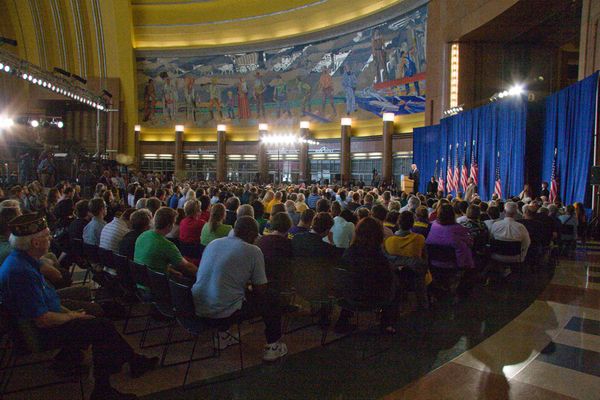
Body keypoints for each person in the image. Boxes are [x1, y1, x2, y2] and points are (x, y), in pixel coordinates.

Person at [0, 213, 158, 400]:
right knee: (101, 326)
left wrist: (70, 313)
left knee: (96, 320)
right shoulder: (21, 272)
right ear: (35, 242)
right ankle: (103, 389)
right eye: (47, 235)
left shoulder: (23, 259)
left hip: (44, 316)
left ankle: (130, 360)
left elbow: (46, 301)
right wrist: (72, 316)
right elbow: (42, 319)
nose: (50, 238)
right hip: (35, 333)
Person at [192, 216, 287, 361]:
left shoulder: (214, 243)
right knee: (272, 298)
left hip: (198, 306)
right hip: (222, 312)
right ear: (251, 234)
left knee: (229, 291)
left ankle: (223, 336)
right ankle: (273, 346)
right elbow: (261, 289)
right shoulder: (253, 251)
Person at [336, 217, 398, 334]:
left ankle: (342, 320)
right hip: (372, 299)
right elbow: (388, 285)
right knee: (395, 284)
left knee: (353, 282)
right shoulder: (380, 259)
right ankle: (387, 323)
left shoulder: (348, 253)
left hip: (347, 296)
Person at [134, 207, 198, 278]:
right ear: (169, 226)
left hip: (140, 282)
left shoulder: (143, 235)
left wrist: (170, 270)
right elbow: (188, 267)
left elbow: (150, 263)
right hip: (157, 286)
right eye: (173, 223)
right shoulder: (167, 246)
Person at [426, 204, 475, 269]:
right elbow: (469, 243)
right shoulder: (459, 228)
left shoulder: (433, 225)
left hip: (433, 263)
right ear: (453, 215)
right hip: (452, 266)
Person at [257, 212, 293, 281]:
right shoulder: (289, 244)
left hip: (262, 278)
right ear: (289, 225)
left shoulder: (261, 240)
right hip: (281, 281)